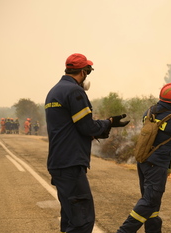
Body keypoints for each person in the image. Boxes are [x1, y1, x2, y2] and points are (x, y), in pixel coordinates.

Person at [45, 53, 130, 233]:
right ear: (84, 72)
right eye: (88, 71)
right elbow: (87, 127)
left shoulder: (53, 91)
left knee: (70, 219)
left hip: (58, 162)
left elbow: (71, 126)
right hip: (71, 163)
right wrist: (109, 123)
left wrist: (101, 127)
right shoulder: (75, 91)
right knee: (82, 221)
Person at [116, 82, 171, 233]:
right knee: (149, 202)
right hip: (157, 165)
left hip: (143, 161)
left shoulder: (149, 112)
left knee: (152, 203)